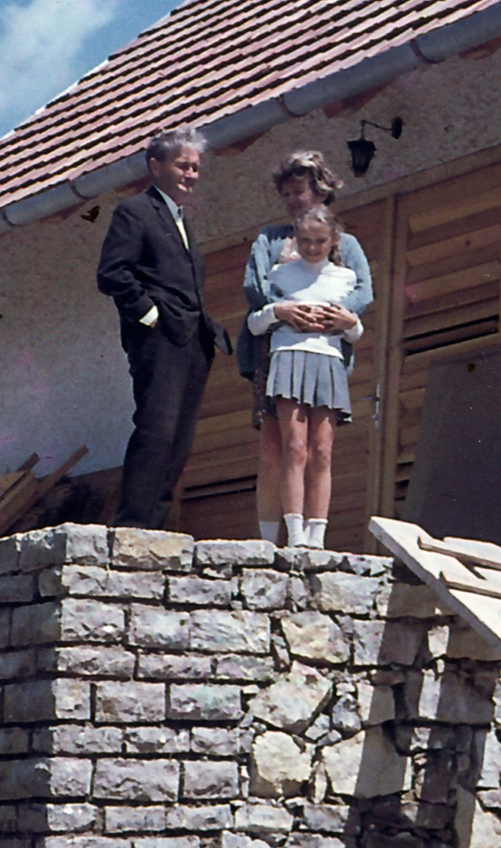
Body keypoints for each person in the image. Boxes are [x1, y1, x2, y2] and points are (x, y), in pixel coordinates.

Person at [96, 126, 231, 528]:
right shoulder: (135, 211)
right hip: (159, 338)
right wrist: (150, 316)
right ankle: (133, 526)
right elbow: (112, 274)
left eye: (195, 168)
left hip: (192, 340)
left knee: (180, 439)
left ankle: (156, 526)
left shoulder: (182, 220)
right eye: (182, 166)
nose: (191, 174)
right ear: (155, 167)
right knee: (157, 429)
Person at [238, 149, 372, 544]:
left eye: (301, 192)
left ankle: (310, 535)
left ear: (321, 192)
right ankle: (268, 538)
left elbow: (362, 289)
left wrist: (329, 313)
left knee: (315, 447)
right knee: (275, 447)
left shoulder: (344, 243)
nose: (294, 201)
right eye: (288, 195)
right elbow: (255, 286)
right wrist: (287, 309)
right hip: (275, 350)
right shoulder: (272, 239)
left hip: (323, 345)